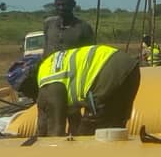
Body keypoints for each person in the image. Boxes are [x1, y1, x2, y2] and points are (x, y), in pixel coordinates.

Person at [10, 46, 140, 137]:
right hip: (129, 66)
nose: (25, 94)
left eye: (23, 89)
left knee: (90, 133)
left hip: (105, 72)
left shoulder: (48, 82)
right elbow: (70, 118)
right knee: (115, 126)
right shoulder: (51, 66)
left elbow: (56, 131)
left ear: (29, 81)